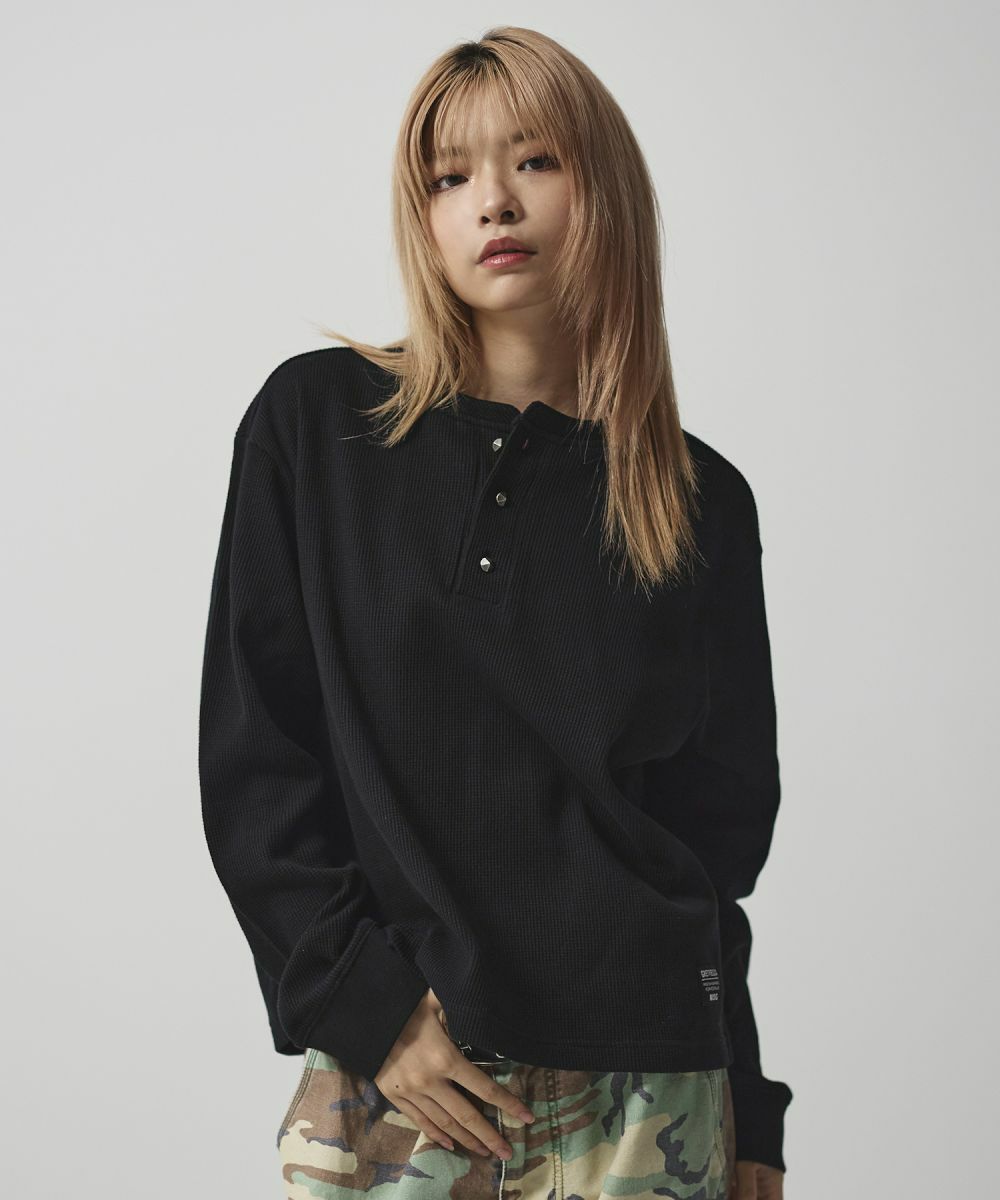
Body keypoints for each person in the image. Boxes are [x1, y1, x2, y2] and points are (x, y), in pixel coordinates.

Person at [198, 25, 793, 1200]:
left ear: (602, 187)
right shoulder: (317, 429)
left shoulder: (696, 498)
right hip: (404, 1076)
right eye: (448, 176)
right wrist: (367, 1008)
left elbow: (706, 852)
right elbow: (258, 758)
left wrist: (752, 1115)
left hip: (652, 1092)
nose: (493, 202)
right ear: (419, 216)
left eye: (534, 161)